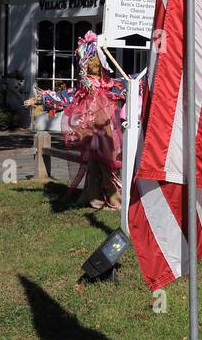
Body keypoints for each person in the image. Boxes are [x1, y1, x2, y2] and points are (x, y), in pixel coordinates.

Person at [24, 31, 126, 210]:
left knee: (107, 163)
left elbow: (127, 87)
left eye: (92, 59)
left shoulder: (109, 85)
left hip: (106, 130)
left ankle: (114, 198)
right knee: (93, 162)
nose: (89, 63)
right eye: (86, 60)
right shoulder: (83, 88)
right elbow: (66, 96)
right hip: (89, 131)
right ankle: (94, 196)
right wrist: (39, 100)